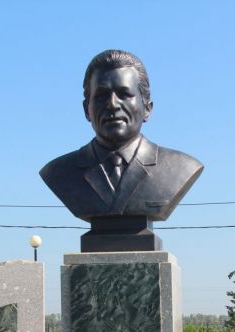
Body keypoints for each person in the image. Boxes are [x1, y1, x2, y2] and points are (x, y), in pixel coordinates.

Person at [40, 49, 203, 225]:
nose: (112, 104)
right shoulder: (59, 172)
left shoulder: (179, 167)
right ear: (87, 109)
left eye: (124, 94)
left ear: (147, 108)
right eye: (101, 96)